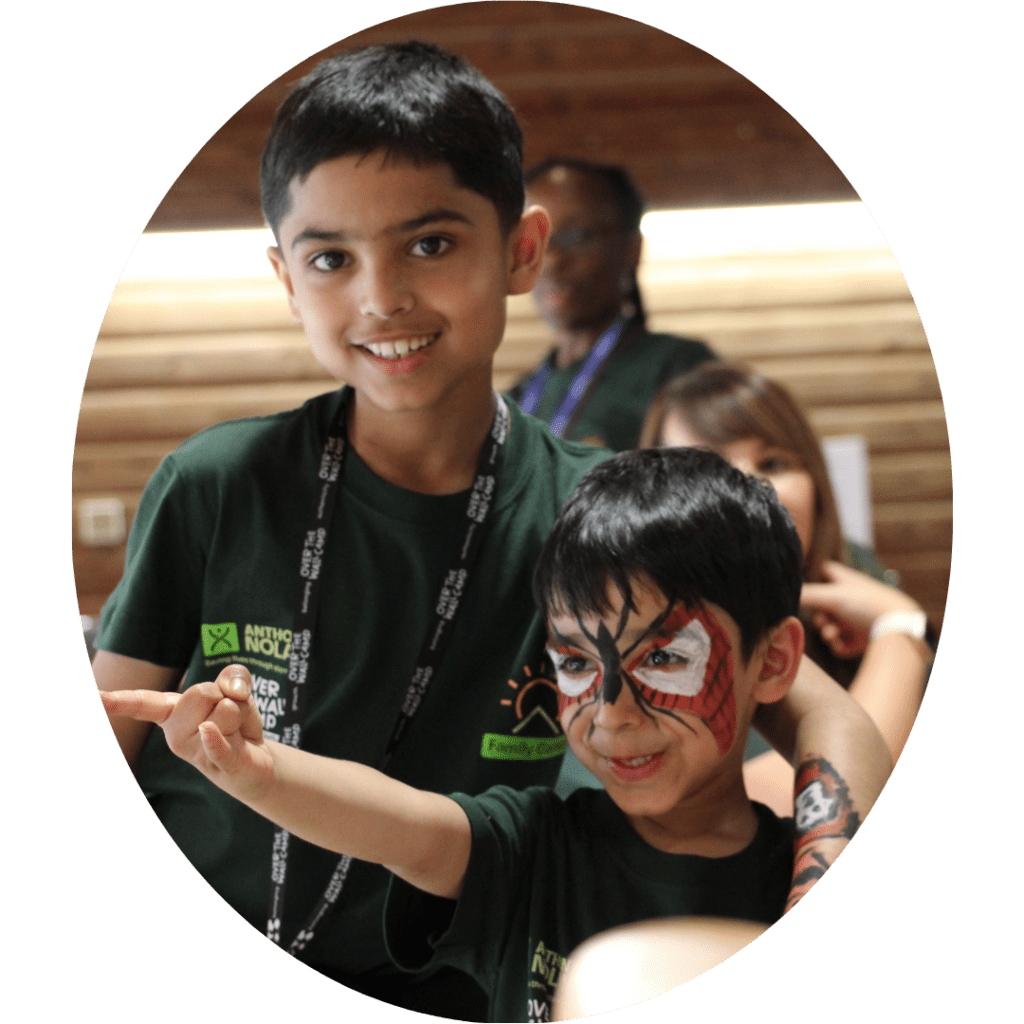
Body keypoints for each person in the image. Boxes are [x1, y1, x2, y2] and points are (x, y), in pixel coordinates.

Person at [91, 41, 605, 1019]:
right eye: (331, 258)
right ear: (286, 277)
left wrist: (884, 643)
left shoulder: (595, 513)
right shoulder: (216, 482)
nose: (381, 297)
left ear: (521, 251)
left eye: (430, 243)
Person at [99, 448, 892, 1024]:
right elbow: (396, 822)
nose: (611, 710)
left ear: (776, 660)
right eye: (577, 663)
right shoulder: (533, 846)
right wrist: (253, 770)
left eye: (665, 657)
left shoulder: (803, 873)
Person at [640, 363, 932, 807]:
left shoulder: (855, 575)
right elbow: (816, 802)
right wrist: (900, 629)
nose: (755, 486)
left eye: (773, 462)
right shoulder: (647, 642)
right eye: (708, 465)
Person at [506, 158, 713, 451]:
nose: (551, 260)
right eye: (533, 242)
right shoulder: (520, 396)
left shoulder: (679, 369)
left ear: (631, 249)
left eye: (575, 237)